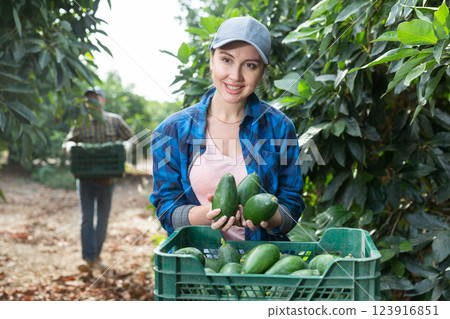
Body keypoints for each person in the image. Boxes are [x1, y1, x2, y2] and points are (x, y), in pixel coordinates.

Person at [150, 16, 305, 241]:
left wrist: (266, 217)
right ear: (212, 60)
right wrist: (209, 214)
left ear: (262, 73)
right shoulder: (171, 131)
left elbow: (292, 205)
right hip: (197, 263)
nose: (235, 76)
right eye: (226, 60)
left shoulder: (280, 128)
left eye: (250, 65)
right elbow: (167, 211)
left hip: (262, 263)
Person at [63, 88, 134, 271]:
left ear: (103, 101)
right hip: (85, 179)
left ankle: (96, 255)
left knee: (102, 219)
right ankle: (88, 258)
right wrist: (70, 147)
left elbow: (131, 139)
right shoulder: (81, 122)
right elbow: (68, 141)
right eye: (88, 101)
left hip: (107, 180)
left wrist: (125, 147)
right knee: (87, 218)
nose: (92, 103)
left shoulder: (114, 120)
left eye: (95, 99)